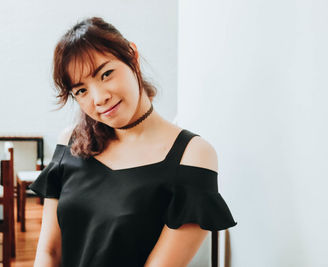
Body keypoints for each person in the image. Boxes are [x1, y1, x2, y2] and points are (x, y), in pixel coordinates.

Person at [29, 16, 237, 267]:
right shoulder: (71, 142)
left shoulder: (192, 155)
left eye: (106, 74)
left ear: (132, 56)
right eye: (81, 90)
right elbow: (49, 252)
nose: (99, 98)